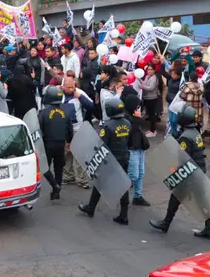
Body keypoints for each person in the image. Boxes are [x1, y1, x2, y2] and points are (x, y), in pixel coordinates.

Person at [149, 104, 210, 239]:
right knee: (201, 201)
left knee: (177, 197)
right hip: (199, 170)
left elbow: (182, 158)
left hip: (190, 174)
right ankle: (209, 229)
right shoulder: (195, 132)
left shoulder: (185, 137)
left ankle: (166, 224)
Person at [78, 97, 131, 225]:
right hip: (123, 158)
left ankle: (90, 208)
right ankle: (124, 215)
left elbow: (101, 144)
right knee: (123, 186)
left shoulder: (107, 126)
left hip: (110, 160)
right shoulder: (128, 123)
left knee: (99, 184)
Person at [39, 85, 73, 200]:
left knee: (44, 168)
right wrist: (69, 142)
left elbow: (39, 130)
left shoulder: (43, 113)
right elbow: (70, 130)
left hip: (47, 145)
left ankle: (54, 185)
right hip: (60, 144)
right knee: (59, 168)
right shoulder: (66, 112)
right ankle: (56, 192)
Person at [60, 76, 95, 189]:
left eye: (73, 87)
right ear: (63, 86)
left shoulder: (79, 93)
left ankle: (81, 179)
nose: (71, 89)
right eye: (69, 87)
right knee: (66, 153)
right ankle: (68, 176)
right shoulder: (58, 94)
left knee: (79, 154)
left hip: (77, 128)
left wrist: (80, 97)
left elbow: (91, 105)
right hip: (64, 129)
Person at [124, 94, 151, 207]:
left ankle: (137, 196)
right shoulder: (125, 117)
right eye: (136, 106)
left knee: (140, 174)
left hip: (139, 149)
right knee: (133, 175)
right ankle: (121, 195)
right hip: (132, 149)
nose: (137, 109)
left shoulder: (133, 115)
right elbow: (130, 132)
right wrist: (137, 119)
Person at [139, 65, 159, 137]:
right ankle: (151, 129)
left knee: (152, 115)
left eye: (151, 69)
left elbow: (151, 88)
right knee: (150, 115)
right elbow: (144, 84)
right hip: (147, 97)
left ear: (154, 70)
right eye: (148, 70)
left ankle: (153, 130)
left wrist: (142, 86)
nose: (149, 71)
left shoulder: (154, 78)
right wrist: (139, 79)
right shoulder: (147, 77)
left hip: (152, 98)